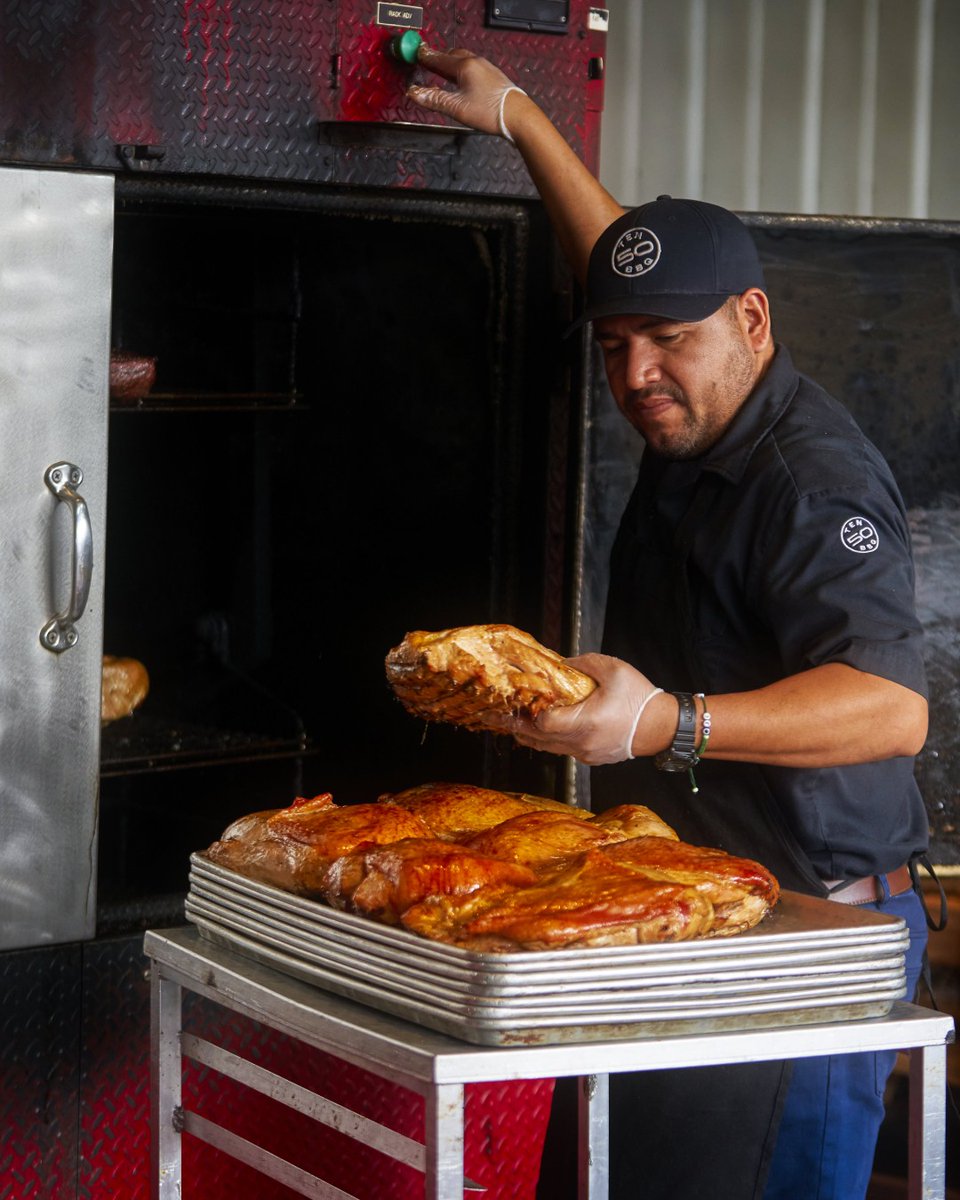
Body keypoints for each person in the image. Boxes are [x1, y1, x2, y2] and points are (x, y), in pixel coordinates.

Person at [408, 47, 934, 1200]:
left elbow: (892, 709)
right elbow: (621, 266)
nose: (639, 375)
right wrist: (522, 118)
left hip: (800, 948)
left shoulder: (812, 482)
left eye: (668, 343)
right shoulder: (694, 392)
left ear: (752, 319)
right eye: (614, 347)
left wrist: (663, 724)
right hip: (685, 921)